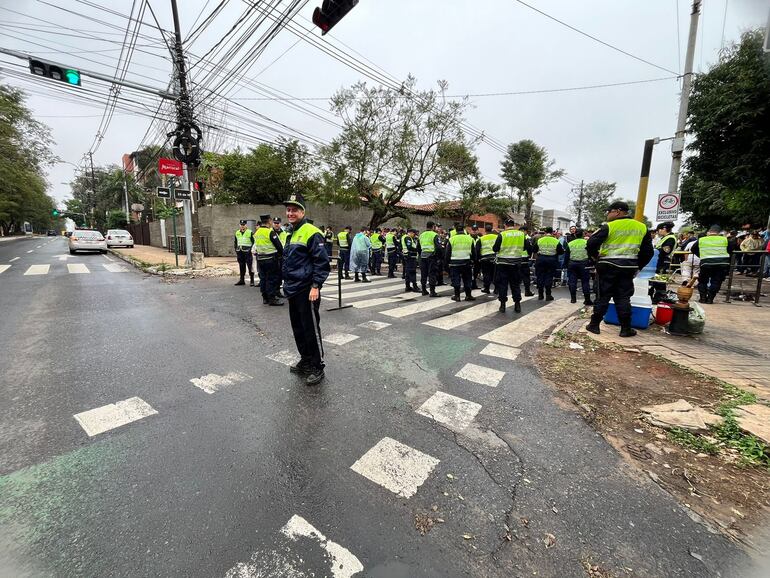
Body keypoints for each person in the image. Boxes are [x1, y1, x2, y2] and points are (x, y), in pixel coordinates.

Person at [282, 193, 330, 385]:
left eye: (294, 209)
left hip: (306, 289)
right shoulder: (290, 232)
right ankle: (306, 359)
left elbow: (322, 261)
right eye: (288, 209)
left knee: (310, 328)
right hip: (292, 288)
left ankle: (318, 366)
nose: (290, 213)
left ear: (302, 211)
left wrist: (316, 285)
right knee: (298, 328)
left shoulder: (312, 231)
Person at [585, 201, 654, 337]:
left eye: (608, 212)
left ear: (617, 211)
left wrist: (596, 257)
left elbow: (591, 243)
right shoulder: (642, 227)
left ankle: (594, 325)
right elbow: (648, 252)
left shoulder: (609, 226)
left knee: (603, 295)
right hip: (628, 268)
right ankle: (625, 328)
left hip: (608, 266)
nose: (607, 215)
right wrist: (637, 266)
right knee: (623, 297)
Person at [492, 219, 528, 313]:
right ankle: (517, 305)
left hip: (503, 264)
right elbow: (526, 247)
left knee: (503, 285)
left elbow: (495, 248)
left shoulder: (502, 234)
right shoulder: (521, 234)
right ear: (514, 225)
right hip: (516, 264)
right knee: (515, 285)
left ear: (505, 225)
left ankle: (503, 305)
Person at [691, 225, 731, 303]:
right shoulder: (725, 239)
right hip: (721, 264)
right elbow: (730, 250)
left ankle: (702, 298)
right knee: (716, 281)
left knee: (703, 281)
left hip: (706, 263)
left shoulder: (702, 240)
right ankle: (710, 298)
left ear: (708, 232)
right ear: (719, 233)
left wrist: (701, 255)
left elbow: (693, 249)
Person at [253, 214, 284, 306]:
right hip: (271, 259)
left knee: (263, 278)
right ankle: (272, 298)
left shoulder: (257, 232)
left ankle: (265, 298)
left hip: (260, 259)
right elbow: (279, 246)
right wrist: (282, 255)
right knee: (272, 279)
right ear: (269, 221)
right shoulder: (270, 232)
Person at [445, 223, 477, 302]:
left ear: (456, 230)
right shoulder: (470, 239)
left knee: (456, 279)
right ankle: (468, 295)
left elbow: (447, 253)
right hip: (466, 263)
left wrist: (446, 264)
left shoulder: (452, 239)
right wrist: (474, 261)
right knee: (467, 279)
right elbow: (474, 252)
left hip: (454, 263)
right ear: (464, 229)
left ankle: (457, 296)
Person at [564, 228, 593, 305]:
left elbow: (566, 256)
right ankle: (587, 300)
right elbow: (591, 253)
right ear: (583, 234)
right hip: (584, 264)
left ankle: (573, 299)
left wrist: (565, 265)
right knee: (585, 282)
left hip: (572, 264)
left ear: (575, 234)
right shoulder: (587, 242)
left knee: (572, 281)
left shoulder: (570, 243)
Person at [534, 227, 563, 301]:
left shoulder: (540, 240)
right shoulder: (555, 240)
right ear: (552, 232)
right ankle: (548, 294)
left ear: (545, 232)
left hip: (541, 259)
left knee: (540, 276)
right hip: (551, 260)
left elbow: (534, 249)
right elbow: (561, 251)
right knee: (549, 276)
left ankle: (540, 295)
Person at [419, 221, 441, 296]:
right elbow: (438, 247)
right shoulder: (435, 235)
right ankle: (432, 291)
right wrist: (438, 257)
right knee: (432, 274)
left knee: (423, 274)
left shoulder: (421, 235)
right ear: (433, 226)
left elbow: (418, 247)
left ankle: (424, 290)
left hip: (423, 256)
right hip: (432, 257)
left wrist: (421, 255)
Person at [233, 219, 255, 286]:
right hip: (240, 251)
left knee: (250, 266)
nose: (242, 226)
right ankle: (242, 280)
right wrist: (236, 249)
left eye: (243, 225)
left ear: (246, 225)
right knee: (241, 266)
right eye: (241, 225)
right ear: (239, 225)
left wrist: (251, 250)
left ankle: (252, 280)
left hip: (248, 252)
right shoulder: (237, 232)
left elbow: (253, 242)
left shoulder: (250, 232)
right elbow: (236, 242)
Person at [478, 224, 498, 294]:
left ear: (485, 230)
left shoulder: (481, 238)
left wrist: (479, 258)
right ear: (492, 229)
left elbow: (477, 249)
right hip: (495, 258)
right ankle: (496, 289)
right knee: (495, 274)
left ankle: (486, 288)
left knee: (486, 274)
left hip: (485, 258)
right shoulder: (497, 237)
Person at [518, 225, 535, 297]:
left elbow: (530, 250)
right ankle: (525, 291)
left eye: (522, 231)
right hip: (521, 259)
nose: (521, 233)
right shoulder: (527, 239)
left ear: (525, 231)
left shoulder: (528, 239)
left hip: (522, 259)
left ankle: (527, 291)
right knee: (522, 277)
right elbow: (530, 250)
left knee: (525, 276)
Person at [273, 216, 287, 296]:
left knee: (280, 274)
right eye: (275, 223)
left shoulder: (284, 233)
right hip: (273, 256)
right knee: (273, 275)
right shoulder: (270, 232)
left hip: (282, 256)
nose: (276, 225)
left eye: (278, 223)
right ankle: (273, 291)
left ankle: (278, 291)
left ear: (280, 224)